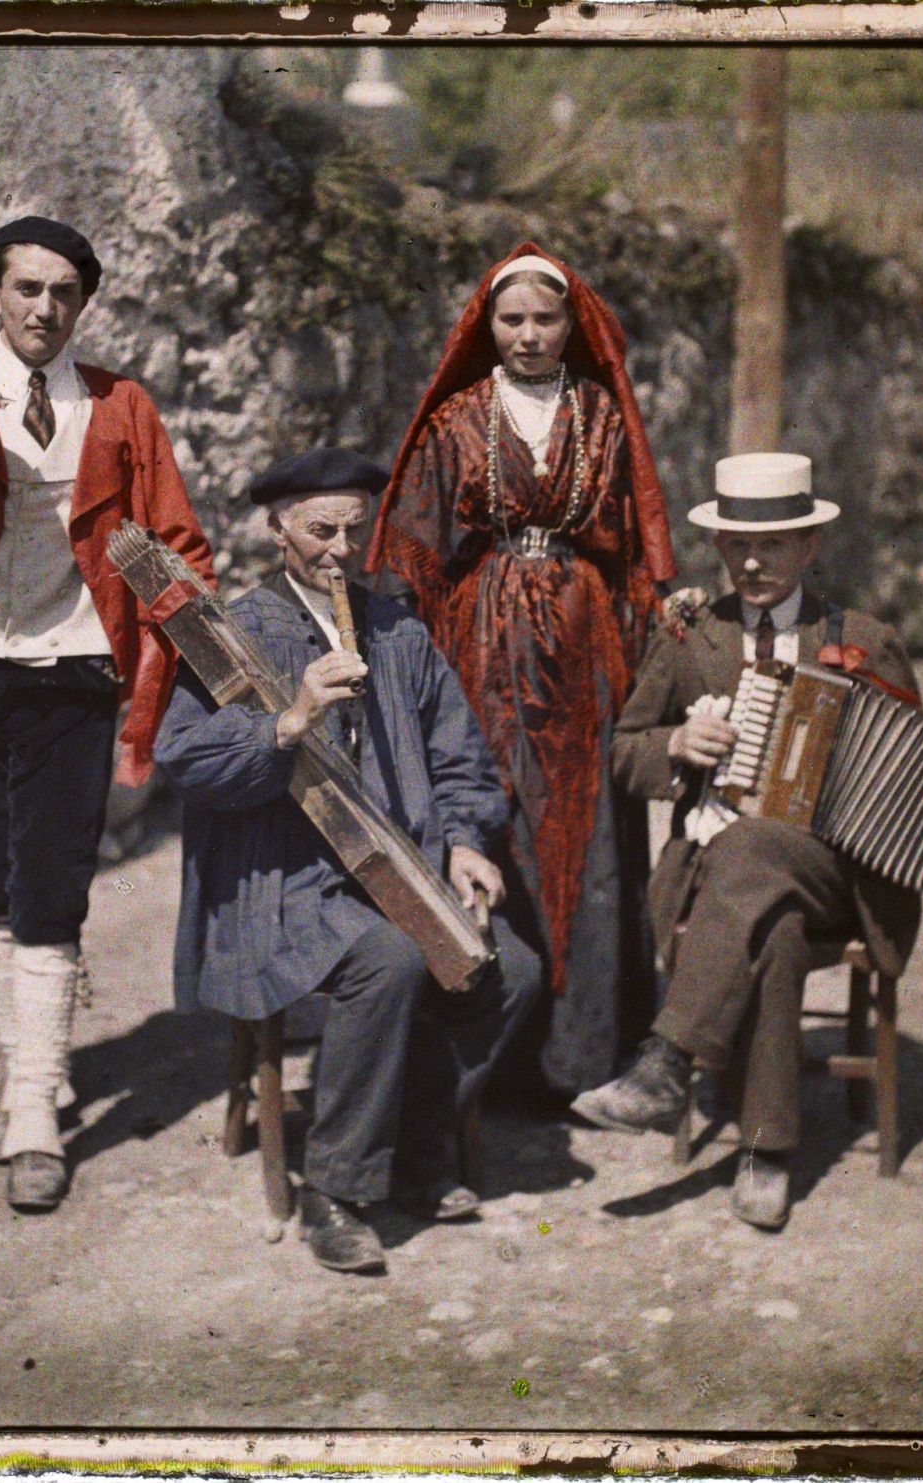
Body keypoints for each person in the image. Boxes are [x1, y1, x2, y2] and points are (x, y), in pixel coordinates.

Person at [573, 453, 923, 1231]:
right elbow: (624, 750)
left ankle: (666, 1060)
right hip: (715, 869)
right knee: (773, 920)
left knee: (756, 850)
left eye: (773, 544)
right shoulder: (691, 636)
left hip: (839, 873)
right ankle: (767, 1151)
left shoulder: (863, 638)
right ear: (719, 548)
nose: (751, 562)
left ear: (810, 547)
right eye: (735, 545)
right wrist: (677, 745)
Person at [0, 215, 216, 1213]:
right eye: (25, 289)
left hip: (71, 669)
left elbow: (177, 539)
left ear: (83, 305)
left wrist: (177, 638)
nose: (43, 308)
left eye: (63, 292)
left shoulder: (121, 407)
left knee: (51, 879)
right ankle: (33, 1065)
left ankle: (30, 1110)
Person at [154, 448, 544, 1275]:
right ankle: (333, 1189)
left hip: (399, 870)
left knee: (511, 966)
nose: (338, 549)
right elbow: (181, 759)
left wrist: (468, 839)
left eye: (353, 532)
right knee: (393, 960)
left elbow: (460, 756)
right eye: (318, 530)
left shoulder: (397, 628)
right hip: (283, 885)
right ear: (277, 528)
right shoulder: (237, 630)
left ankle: (414, 1145)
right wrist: (287, 721)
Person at [366, 243, 677, 1097]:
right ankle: (492, 1064)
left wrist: (646, 643)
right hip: (484, 646)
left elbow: (634, 551)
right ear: (488, 325)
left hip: (583, 649)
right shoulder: (456, 419)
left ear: (573, 324)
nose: (530, 335)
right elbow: (414, 551)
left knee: (587, 833)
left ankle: (582, 1057)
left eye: (546, 319)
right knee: (495, 820)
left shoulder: (604, 417)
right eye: (513, 320)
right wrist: (395, 658)